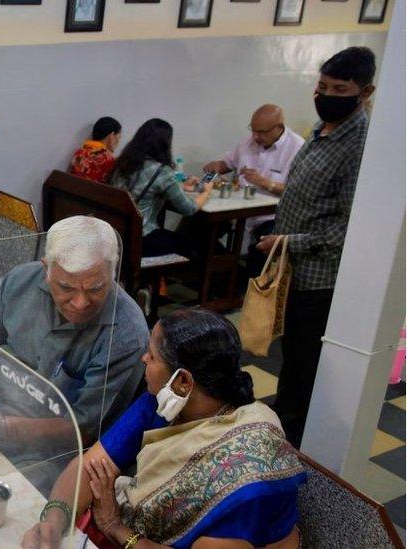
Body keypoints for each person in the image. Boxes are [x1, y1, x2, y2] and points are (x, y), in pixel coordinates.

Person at [21, 309, 306, 549]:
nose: (143, 360)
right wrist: (54, 518)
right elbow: (92, 466)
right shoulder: (164, 401)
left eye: (152, 356)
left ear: (183, 380)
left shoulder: (250, 477)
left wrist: (115, 527)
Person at [0, 216, 148, 452]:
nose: (80, 302)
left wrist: (1, 427)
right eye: (66, 287)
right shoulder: (22, 280)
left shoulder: (127, 334)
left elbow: (84, 430)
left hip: (48, 451)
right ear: (46, 269)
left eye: (96, 288)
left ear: (112, 274)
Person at [257, 47, 376, 447]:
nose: (326, 94)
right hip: (292, 271)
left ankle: (293, 444)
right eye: (322, 86)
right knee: (290, 356)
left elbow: (349, 227)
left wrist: (288, 240)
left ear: (365, 92)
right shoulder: (321, 130)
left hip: (318, 278)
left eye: (339, 88)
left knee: (305, 362)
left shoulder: (359, 146)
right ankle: (283, 425)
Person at [202, 105, 305, 278]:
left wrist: (265, 183)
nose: (255, 137)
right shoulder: (249, 142)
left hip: (272, 215)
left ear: (279, 127)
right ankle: (220, 277)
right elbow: (227, 164)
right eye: (253, 130)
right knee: (198, 226)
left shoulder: (297, 147)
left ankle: (248, 290)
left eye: (262, 132)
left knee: (261, 250)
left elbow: (299, 192)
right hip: (236, 209)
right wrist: (215, 167)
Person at [110, 119, 214, 259]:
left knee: (181, 235)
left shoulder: (125, 162)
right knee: (192, 242)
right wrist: (207, 191)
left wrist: (181, 186)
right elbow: (188, 208)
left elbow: (142, 185)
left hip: (117, 233)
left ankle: (159, 279)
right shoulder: (161, 171)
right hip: (141, 238)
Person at [68, 116, 121, 184]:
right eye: (118, 138)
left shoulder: (79, 153)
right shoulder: (109, 160)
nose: (118, 143)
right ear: (111, 136)